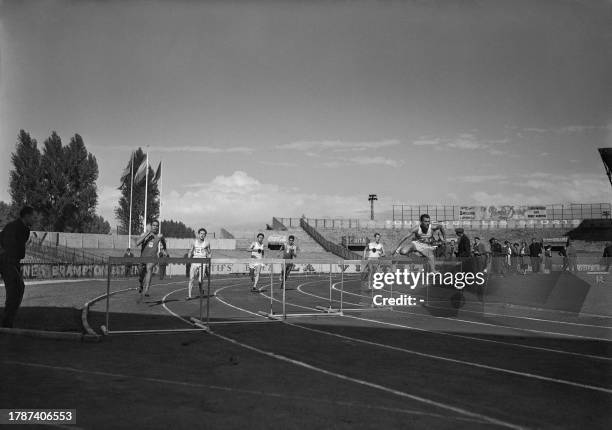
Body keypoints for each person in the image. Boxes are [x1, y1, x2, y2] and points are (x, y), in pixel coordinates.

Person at [0, 206, 35, 328]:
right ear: (26, 216)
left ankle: (8, 320)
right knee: (16, 289)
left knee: (18, 288)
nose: (34, 219)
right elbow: (7, 242)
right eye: (32, 216)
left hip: (11, 261)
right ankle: (7, 323)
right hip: (8, 261)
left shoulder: (18, 227)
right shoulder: (18, 227)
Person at [135, 220, 167, 298]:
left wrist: (164, 249)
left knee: (149, 268)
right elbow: (137, 243)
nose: (155, 227)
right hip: (143, 257)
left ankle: (146, 290)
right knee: (141, 274)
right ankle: (141, 284)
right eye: (154, 225)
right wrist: (147, 234)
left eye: (157, 226)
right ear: (151, 226)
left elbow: (163, 241)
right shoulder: (144, 234)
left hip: (153, 258)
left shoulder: (159, 236)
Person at [187, 228, 211, 300]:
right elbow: (190, 251)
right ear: (198, 234)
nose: (202, 235)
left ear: (205, 235)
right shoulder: (194, 242)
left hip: (202, 262)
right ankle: (189, 296)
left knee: (200, 280)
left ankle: (201, 291)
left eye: (204, 234)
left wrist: (208, 261)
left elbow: (209, 253)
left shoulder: (207, 243)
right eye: (201, 233)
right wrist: (189, 257)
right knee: (191, 279)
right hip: (194, 262)